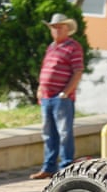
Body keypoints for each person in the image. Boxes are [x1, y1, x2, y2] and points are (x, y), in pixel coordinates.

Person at [30, 13, 84, 180]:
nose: (56, 30)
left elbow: (77, 71)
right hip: (47, 97)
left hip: (62, 98)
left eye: (59, 27)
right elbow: (45, 68)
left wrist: (65, 93)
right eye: (53, 27)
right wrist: (40, 88)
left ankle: (65, 167)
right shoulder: (52, 46)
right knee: (48, 133)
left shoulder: (73, 47)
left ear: (67, 29)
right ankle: (49, 167)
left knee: (64, 133)